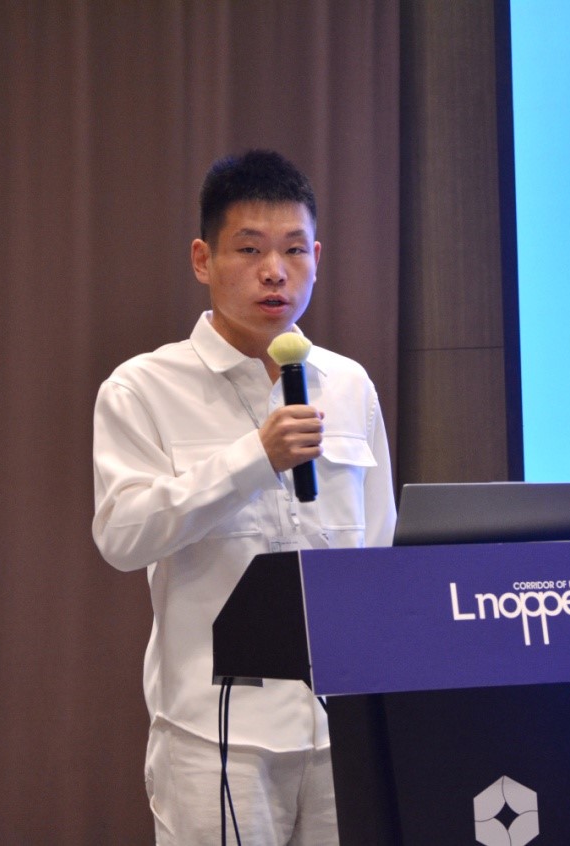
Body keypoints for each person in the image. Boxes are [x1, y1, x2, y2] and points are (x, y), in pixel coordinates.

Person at [92, 150, 396, 845]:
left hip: (342, 724)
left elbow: (380, 544)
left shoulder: (349, 385)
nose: (275, 271)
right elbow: (122, 536)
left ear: (317, 258)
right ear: (203, 260)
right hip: (214, 735)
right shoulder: (142, 388)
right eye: (250, 249)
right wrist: (254, 460)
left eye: (294, 249)